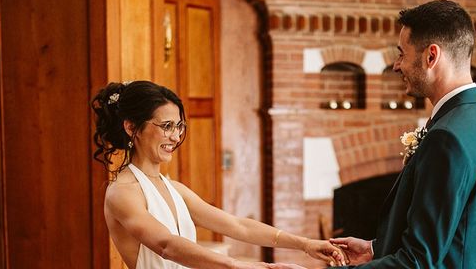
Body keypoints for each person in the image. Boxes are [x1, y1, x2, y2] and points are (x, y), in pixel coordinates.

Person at [331, 0, 476, 268]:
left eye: (402, 53)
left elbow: (416, 261)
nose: (396, 66)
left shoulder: (447, 139)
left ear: (431, 56)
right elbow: (455, 233)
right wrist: (376, 249)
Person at [92, 80, 346, 269]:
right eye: (166, 126)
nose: (176, 136)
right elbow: (166, 246)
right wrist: (237, 266)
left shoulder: (175, 189)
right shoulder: (122, 192)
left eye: (179, 126)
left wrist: (305, 244)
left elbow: (238, 226)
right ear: (131, 127)